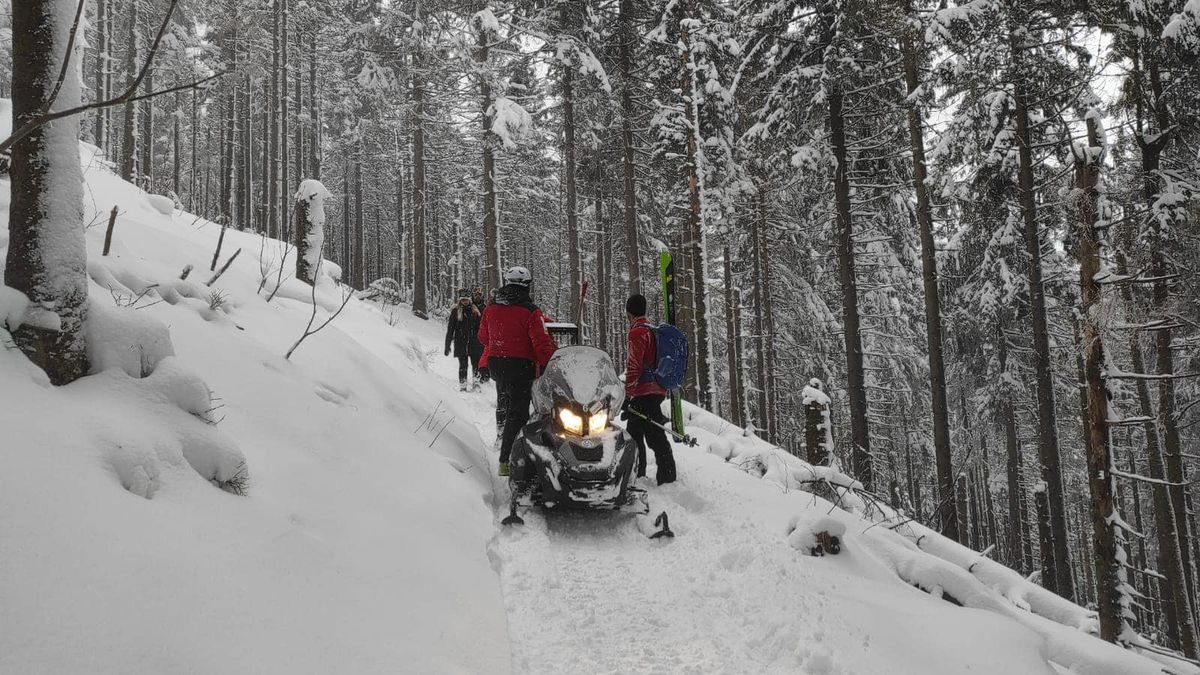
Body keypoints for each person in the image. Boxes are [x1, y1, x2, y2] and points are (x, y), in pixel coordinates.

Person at [478, 266, 557, 476]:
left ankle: (508, 445)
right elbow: (541, 343)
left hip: (497, 364)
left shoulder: (491, 308)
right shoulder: (531, 311)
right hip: (520, 366)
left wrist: (501, 342)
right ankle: (507, 460)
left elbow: (483, 338)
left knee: (507, 404)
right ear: (527, 285)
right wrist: (552, 364)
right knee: (519, 413)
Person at [621, 294, 676, 485]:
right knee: (635, 432)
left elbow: (634, 366)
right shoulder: (652, 330)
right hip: (657, 388)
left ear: (629, 312)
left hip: (643, 391)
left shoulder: (637, 333)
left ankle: (667, 477)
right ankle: (639, 474)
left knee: (653, 435)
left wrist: (627, 395)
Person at [445, 289, 484, 391]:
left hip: (475, 343)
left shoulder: (475, 312)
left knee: (476, 365)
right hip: (460, 343)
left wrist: (483, 342)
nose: (465, 302)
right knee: (463, 366)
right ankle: (463, 386)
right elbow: (450, 329)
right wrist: (447, 345)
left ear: (470, 300)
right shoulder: (455, 311)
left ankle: (476, 384)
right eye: (463, 300)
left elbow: (481, 328)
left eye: (467, 300)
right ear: (460, 300)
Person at [471, 288, 490, 383]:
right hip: (473, 338)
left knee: (484, 358)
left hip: (484, 337)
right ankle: (476, 377)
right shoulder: (470, 307)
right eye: (476, 294)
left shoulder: (486, 307)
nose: (477, 296)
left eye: (479, 294)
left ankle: (485, 377)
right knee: (475, 359)